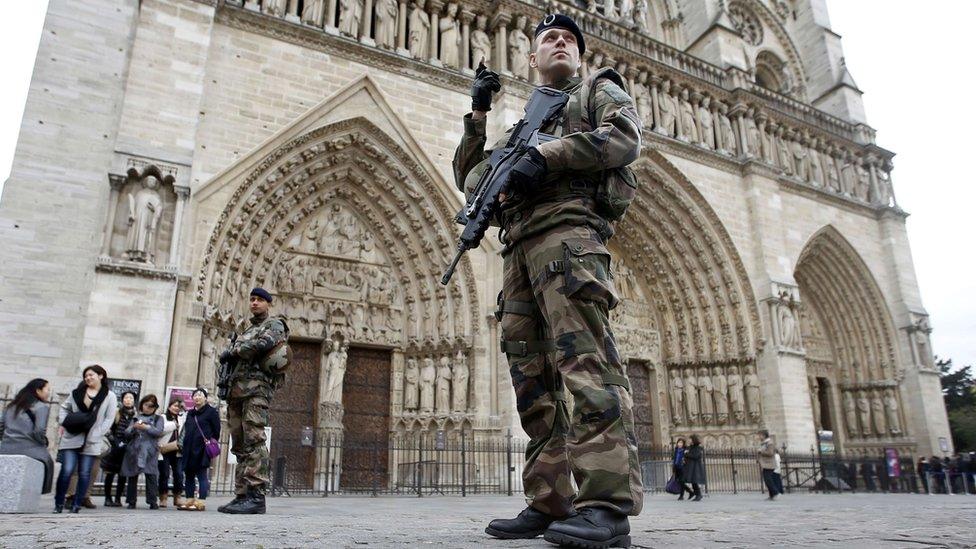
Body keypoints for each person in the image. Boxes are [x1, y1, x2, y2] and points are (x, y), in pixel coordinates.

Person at [458, 13, 643, 547]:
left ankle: (606, 507)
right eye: (549, 40)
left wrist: (547, 157)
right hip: (518, 250)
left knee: (588, 368)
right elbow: (473, 183)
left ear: (578, 56)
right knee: (532, 382)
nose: (560, 43)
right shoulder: (524, 125)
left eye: (568, 39)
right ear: (531, 58)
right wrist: (478, 113)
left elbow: (624, 139)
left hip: (569, 238)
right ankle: (550, 499)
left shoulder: (596, 92)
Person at [217, 288, 287, 515]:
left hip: (256, 390)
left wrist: (234, 351)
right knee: (239, 443)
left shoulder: (275, 325)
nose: (255, 303)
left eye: (260, 300)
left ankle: (257, 495)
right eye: (252, 299)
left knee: (255, 439)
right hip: (236, 390)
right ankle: (242, 494)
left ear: (268, 303)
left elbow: (264, 345)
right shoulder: (247, 329)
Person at [54, 364, 118, 513]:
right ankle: (59, 503)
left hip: (92, 439)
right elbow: (65, 407)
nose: (88, 377)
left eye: (91, 374)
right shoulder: (77, 392)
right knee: (67, 470)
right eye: (86, 375)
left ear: (101, 376)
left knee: (84, 473)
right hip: (72, 436)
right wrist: (64, 421)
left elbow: (109, 419)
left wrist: (99, 433)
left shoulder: (110, 395)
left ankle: (77, 504)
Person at [0, 378, 55, 494]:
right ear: (38, 391)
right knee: (48, 462)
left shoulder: (11, 406)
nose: (48, 392)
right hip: (31, 449)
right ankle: (40, 491)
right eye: (47, 389)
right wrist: (43, 442)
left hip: (6, 448)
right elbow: (39, 431)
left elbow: (1, 426)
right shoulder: (41, 407)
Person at [179, 388, 220, 511]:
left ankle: (201, 502)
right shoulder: (190, 413)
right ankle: (189, 500)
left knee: (202, 475)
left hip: (202, 448)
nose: (197, 397)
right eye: (195, 395)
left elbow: (217, 431)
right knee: (189, 475)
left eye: (200, 395)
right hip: (189, 447)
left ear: (206, 398)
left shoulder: (211, 412)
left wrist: (210, 440)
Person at [121, 394, 164, 509]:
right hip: (135, 449)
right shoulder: (136, 417)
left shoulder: (159, 418)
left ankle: (152, 501)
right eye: (146, 404)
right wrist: (134, 427)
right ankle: (131, 501)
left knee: (151, 476)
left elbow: (159, 432)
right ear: (141, 405)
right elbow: (127, 433)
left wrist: (146, 427)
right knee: (132, 475)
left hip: (150, 451)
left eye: (152, 405)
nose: (148, 407)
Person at [101, 391, 136, 507]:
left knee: (122, 475)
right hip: (114, 447)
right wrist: (114, 441)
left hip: (127, 448)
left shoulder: (135, 416)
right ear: (122, 400)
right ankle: (107, 498)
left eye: (131, 398)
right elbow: (108, 428)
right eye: (126, 398)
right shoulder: (116, 412)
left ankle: (118, 498)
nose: (128, 400)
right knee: (110, 474)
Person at [157, 397, 185, 508]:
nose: (176, 408)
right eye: (174, 406)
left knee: (178, 474)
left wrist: (184, 409)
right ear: (169, 406)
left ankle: (177, 496)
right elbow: (160, 430)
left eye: (178, 406)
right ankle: (163, 497)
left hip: (178, 450)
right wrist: (174, 425)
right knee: (164, 474)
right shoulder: (163, 417)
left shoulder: (182, 418)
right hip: (165, 449)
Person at [757, 430, 781, 500]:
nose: (759, 437)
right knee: (767, 479)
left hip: (769, 463)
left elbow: (770, 453)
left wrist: (760, 451)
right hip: (766, 463)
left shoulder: (769, 443)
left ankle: (776, 492)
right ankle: (772, 495)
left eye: (760, 435)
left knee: (768, 479)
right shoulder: (764, 443)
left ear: (764, 435)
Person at [682, 434, 706, 501]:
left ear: (693, 440)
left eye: (690, 439)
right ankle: (697, 494)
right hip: (690, 467)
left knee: (694, 481)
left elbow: (695, 456)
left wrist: (686, 454)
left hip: (695, 467)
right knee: (693, 481)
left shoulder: (698, 448)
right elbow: (685, 452)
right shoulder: (690, 447)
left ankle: (699, 495)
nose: (689, 441)